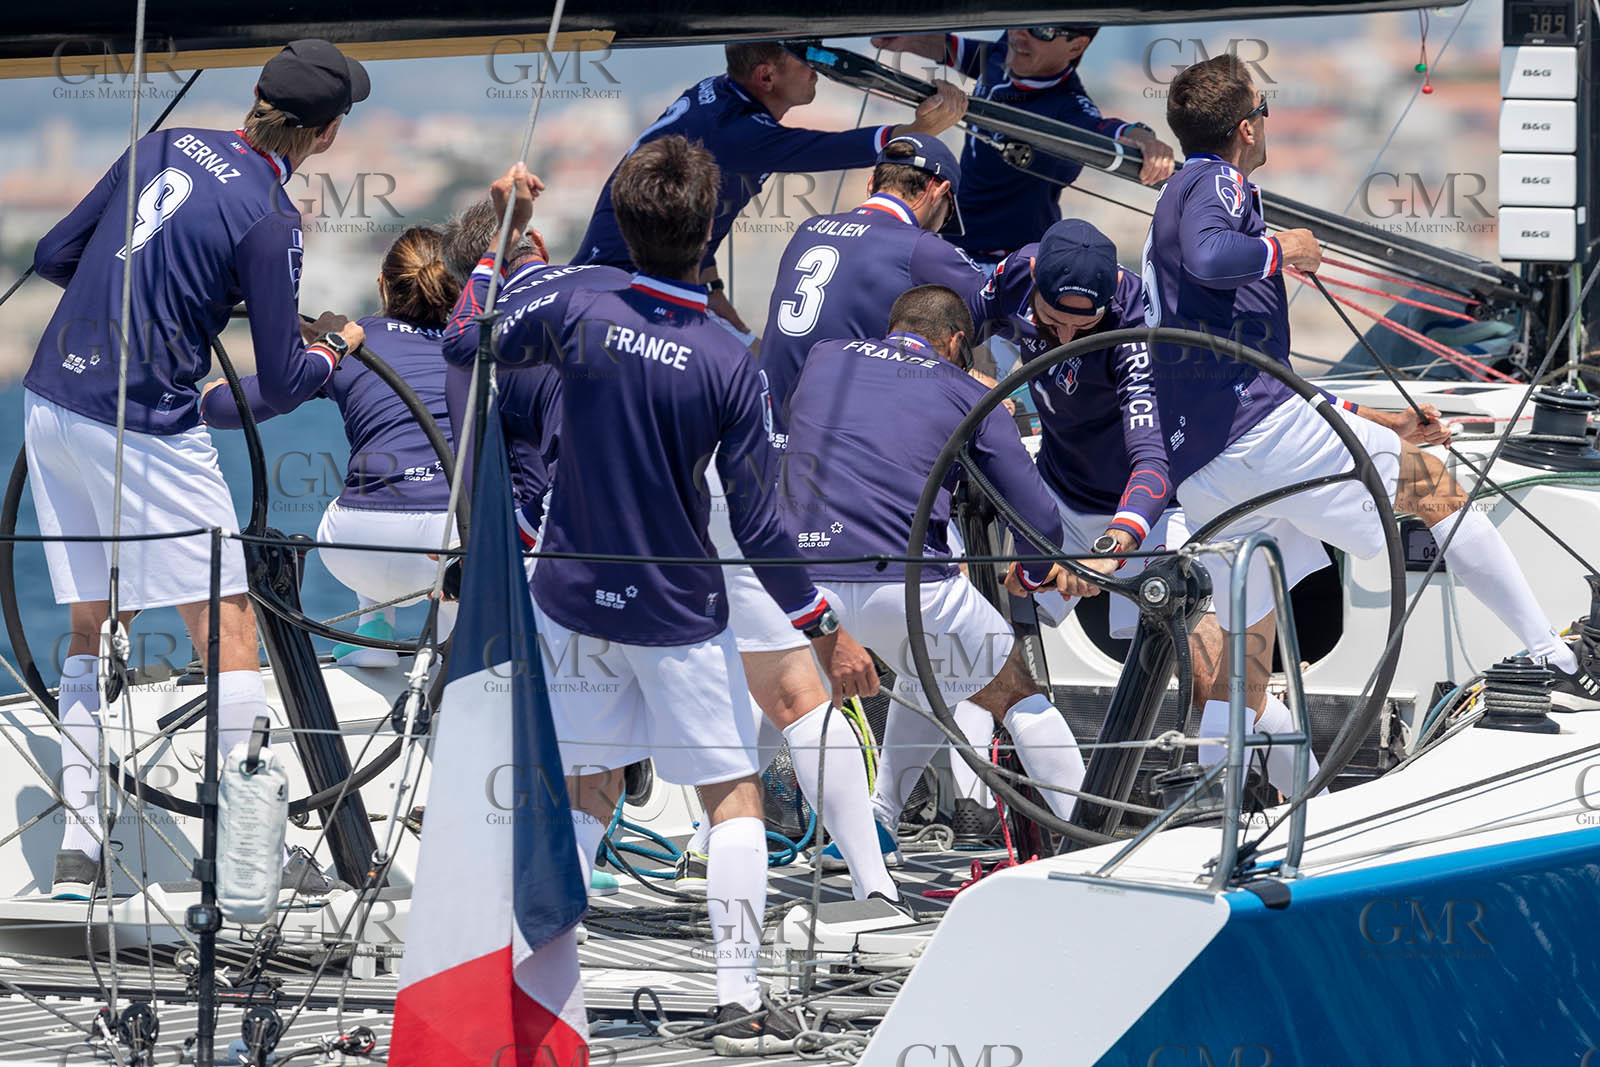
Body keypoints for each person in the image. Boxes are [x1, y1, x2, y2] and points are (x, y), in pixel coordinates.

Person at [487, 141, 880, 1041]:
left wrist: (503, 230)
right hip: (676, 611)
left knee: (584, 789)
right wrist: (822, 628)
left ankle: (536, 989)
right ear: (706, 233)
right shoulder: (729, 359)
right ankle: (739, 997)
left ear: (622, 223)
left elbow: (472, 328)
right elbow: (760, 527)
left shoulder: (575, 301)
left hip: (571, 599)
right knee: (732, 797)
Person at [1142, 56, 1600, 795]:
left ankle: (1239, 803)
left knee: (1247, 656)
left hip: (1206, 460)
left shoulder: (1174, 193)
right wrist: (1278, 247)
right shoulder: (1216, 181)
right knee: (1436, 489)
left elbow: (1252, 357)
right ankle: (1552, 653)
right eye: (1265, 108)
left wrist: (1384, 420)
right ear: (1247, 126)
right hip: (1257, 432)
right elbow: (1212, 255)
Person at [23, 39, 368, 899]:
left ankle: (77, 854)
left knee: (89, 625)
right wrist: (335, 351)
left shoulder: (165, 144)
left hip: (50, 402)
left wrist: (183, 288)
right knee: (231, 630)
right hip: (144, 425)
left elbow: (54, 256)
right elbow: (285, 382)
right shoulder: (271, 216)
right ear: (323, 138)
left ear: (254, 94)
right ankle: (242, 855)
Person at [778, 285, 1092, 877]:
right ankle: (1096, 844)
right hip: (902, 583)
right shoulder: (962, 391)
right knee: (1013, 694)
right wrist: (1030, 570)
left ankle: (867, 822)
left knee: (814, 696)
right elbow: (1037, 512)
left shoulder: (825, 356)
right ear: (954, 343)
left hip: (798, 583)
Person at [574, 41, 968, 335]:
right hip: (623, 289)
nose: (818, 67)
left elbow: (700, 233)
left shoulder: (717, 96)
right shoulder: (741, 136)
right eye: (804, 56)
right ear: (766, 76)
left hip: (631, 280)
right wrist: (921, 130)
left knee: (746, 352)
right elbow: (834, 149)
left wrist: (719, 302)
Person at [201, 225, 460, 669]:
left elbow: (226, 409)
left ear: (381, 284)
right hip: (448, 552)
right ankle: (456, 643)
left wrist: (323, 348)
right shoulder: (474, 345)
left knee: (379, 486)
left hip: (354, 547)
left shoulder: (355, 345)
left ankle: (373, 628)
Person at [870, 26, 1176, 265]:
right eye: (1021, 24)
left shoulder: (1069, 107)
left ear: (1077, 46)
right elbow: (961, 51)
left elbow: (1107, 129)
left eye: (1040, 32)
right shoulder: (1011, 47)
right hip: (951, 244)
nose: (1020, 35)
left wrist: (1147, 140)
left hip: (1011, 263)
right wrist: (907, 39)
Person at [756, 132, 988, 444]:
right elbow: (992, 303)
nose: (940, 228)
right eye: (946, 216)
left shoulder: (807, 230)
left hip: (768, 436)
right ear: (939, 191)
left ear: (871, 183)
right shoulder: (920, 247)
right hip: (834, 447)